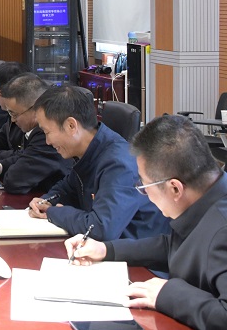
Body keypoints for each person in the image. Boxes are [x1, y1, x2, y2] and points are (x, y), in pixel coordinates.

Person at [66, 115, 227, 330]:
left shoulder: (222, 228)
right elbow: (175, 246)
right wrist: (106, 250)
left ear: (175, 188)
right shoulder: (205, 197)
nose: (145, 195)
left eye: (144, 186)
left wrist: (168, 294)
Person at [27, 85, 169, 241]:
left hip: (136, 253)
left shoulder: (119, 164)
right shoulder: (89, 151)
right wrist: (45, 201)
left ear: (71, 126)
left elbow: (101, 229)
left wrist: (54, 212)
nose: (47, 141)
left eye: (47, 132)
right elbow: (67, 189)